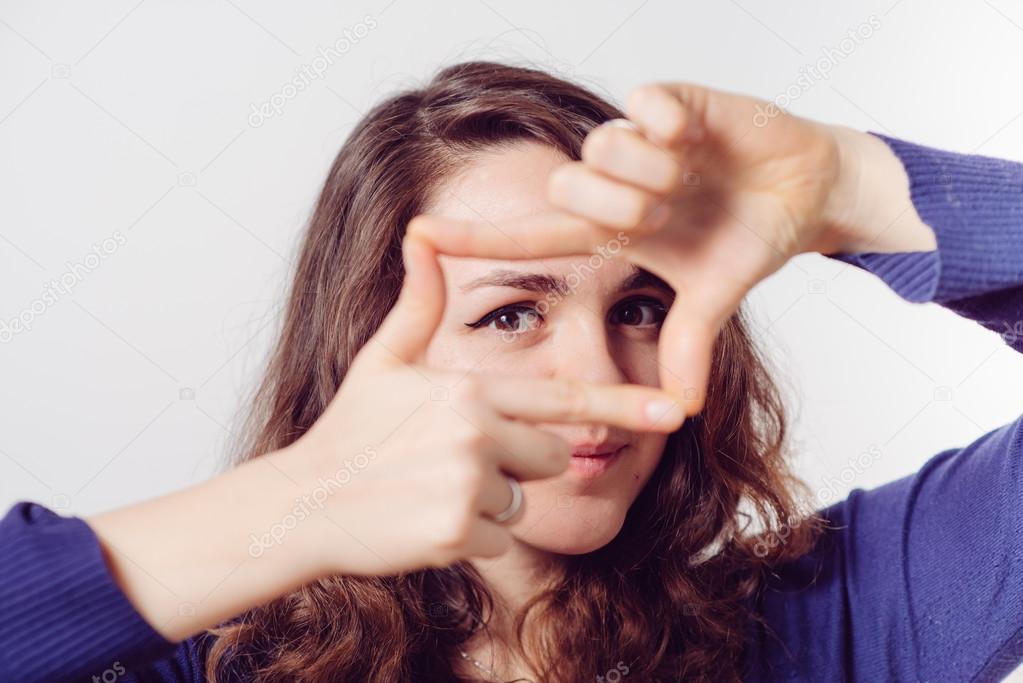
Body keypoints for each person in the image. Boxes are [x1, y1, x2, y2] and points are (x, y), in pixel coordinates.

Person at [2, 61, 1021, 682]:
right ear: (365, 355)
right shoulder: (207, 669)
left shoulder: (840, 617)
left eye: (639, 307)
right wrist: (303, 495)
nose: (596, 369)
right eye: (512, 312)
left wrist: (861, 192)